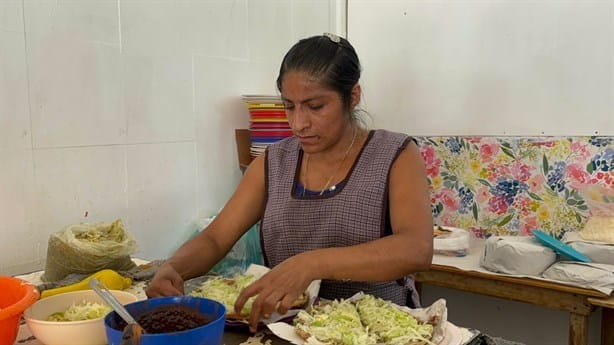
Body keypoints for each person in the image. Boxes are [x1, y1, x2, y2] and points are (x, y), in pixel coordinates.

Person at [146, 32, 434, 332]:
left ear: (352, 97)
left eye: (315, 106)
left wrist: (312, 264)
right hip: (287, 329)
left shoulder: (395, 155)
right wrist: (173, 267)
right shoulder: (274, 163)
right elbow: (216, 238)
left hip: (379, 331)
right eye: (290, 106)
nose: (299, 123)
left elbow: (416, 248)